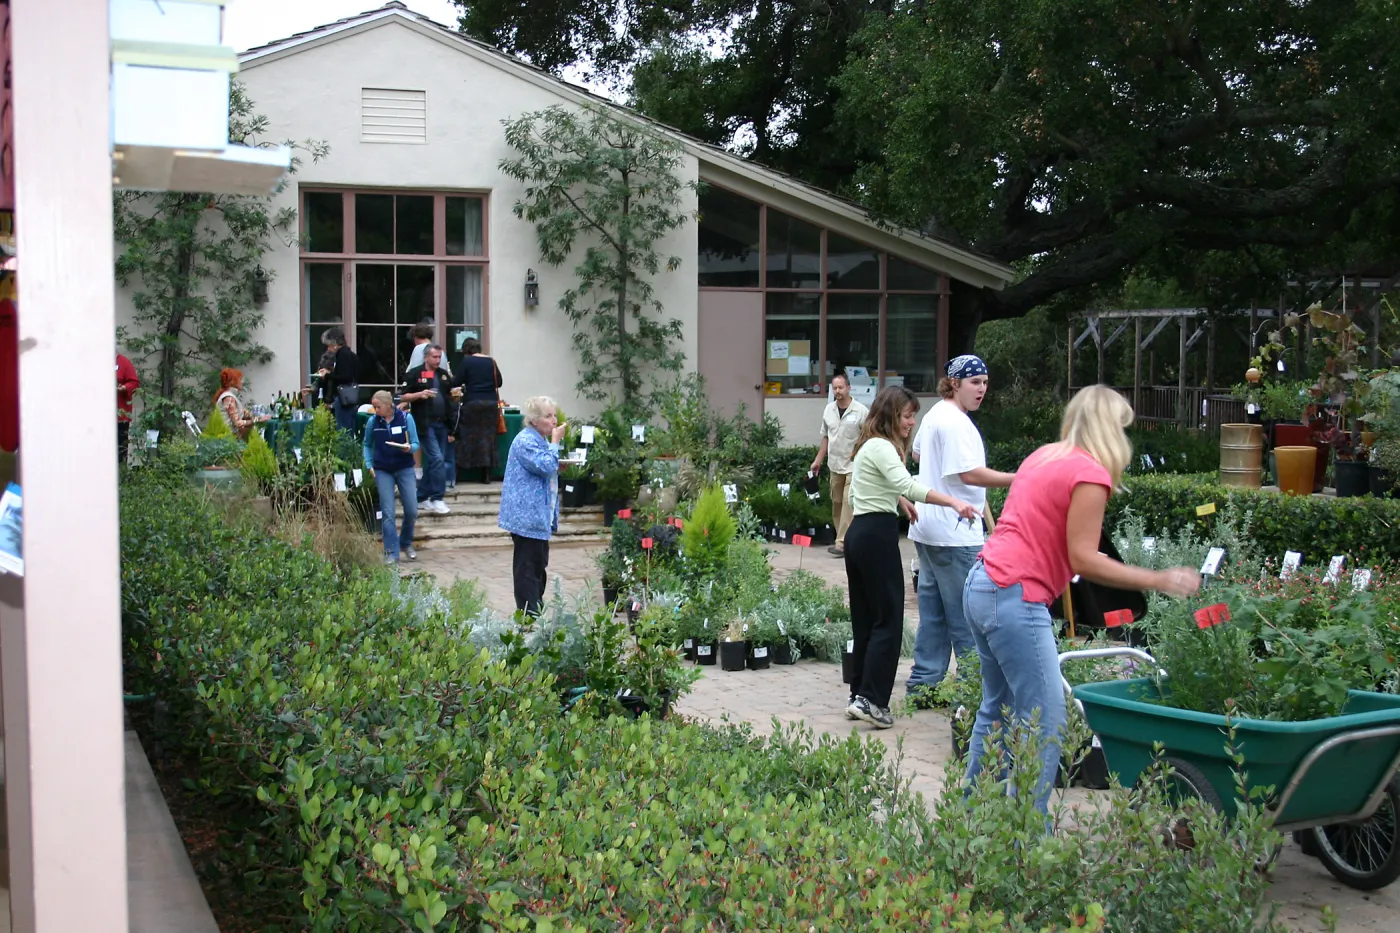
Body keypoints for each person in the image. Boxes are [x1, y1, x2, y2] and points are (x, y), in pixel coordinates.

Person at [962, 385, 1201, 814]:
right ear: (1111, 429)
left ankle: (973, 819)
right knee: (1047, 719)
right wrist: (1158, 578)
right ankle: (1025, 836)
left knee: (996, 709)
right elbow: (1083, 560)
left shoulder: (1044, 456)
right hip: (1015, 595)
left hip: (982, 583)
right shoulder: (1090, 474)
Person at [844, 386, 978, 730]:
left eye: (913, 415)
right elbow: (909, 484)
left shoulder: (868, 446)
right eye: (906, 416)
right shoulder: (883, 447)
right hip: (877, 537)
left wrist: (898, 500)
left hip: (859, 534)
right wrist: (953, 501)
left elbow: (862, 492)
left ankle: (859, 694)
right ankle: (872, 700)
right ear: (891, 416)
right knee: (888, 620)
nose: (911, 422)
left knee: (866, 619)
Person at [906, 355, 1016, 705]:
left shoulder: (935, 414)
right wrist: (1020, 477)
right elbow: (969, 474)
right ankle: (971, 695)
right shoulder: (955, 422)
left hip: (927, 529)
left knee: (934, 615)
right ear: (954, 384)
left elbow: (918, 455)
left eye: (985, 382)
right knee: (967, 617)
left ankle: (924, 687)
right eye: (974, 382)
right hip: (954, 534)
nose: (981, 389)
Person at [498, 395, 568, 616]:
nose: (554, 420)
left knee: (538, 565)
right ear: (534, 420)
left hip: (538, 516)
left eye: (554, 415)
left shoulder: (540, 440)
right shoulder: (526, 440)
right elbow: (545, 466)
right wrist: (555, 444)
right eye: (548, 416)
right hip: (526, 516)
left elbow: (546, 468)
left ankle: (534, 612)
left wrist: (558, 464)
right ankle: (528, 615)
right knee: (527, 569)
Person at [810, 372, 868, 557]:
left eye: (841, 387)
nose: (837, 391)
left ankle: (842, 543)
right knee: (836, 503)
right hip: (834, 465)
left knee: (847, 502)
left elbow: (868, 438)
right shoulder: (829, 410)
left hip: (853, 465)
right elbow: (826, 437)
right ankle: (844, 538)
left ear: (849, 388)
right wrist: (818, 460)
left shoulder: (861, 411)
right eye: (834, 388)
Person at [362, 390, 421, 565]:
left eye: (378, 407)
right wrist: (369, 464)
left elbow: (416, 443)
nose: (375, 410)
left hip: (404, 467)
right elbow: (367, 444)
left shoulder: (406, 418)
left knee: (412, 509)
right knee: (388, 513)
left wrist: (409, 448)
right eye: (374, 407)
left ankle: (406, 542)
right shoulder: (373, 422)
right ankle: (391, 552)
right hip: (383, 470)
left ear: (388, 405)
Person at [400, 345, 456, 515]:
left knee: (435, 462)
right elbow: (403, 396)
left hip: (442, 423)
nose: (438, 360)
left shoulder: (443, 375)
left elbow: (449, 396)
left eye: (439, 357)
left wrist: (456, 394)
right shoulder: (415, 374)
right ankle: (437, 497)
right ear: (426, 357)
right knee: (437, 459)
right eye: (434, 357)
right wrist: (419, 394)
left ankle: (421, 496)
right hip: (425, 424)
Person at [452, 337, 503, 484]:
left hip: (472, 402)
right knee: (488, 438)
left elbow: (456, 381)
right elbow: (499, 382)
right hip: (490, 403)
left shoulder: (467, 362)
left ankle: (461, 473)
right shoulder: (491, 361)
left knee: (467, 436)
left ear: (466, 350)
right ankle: (486, 474)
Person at [317, 327, 361, 433]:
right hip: (350, 397)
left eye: (329, 345)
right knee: (348, 428)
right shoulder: (350, 354)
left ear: (335, 344)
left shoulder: (342, 354)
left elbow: (345, 377)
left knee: (343, 430)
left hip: (343, 397)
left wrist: (328, 374)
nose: (328, 349)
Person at [213, 368, 270, 439]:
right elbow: (238, 423)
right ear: (232, 382)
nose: (242, 382)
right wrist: (258, 420)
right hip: (228, 438)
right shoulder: (229, 398)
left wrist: (254, 417)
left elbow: (242, 412)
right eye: (239, 379)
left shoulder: (229, 395)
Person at [116, 352, 140, 464]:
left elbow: (134, 383)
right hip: (98, 417)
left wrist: (124, 388)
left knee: (120, 449)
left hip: (120, 417)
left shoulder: (123, 362)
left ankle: (120, 471)